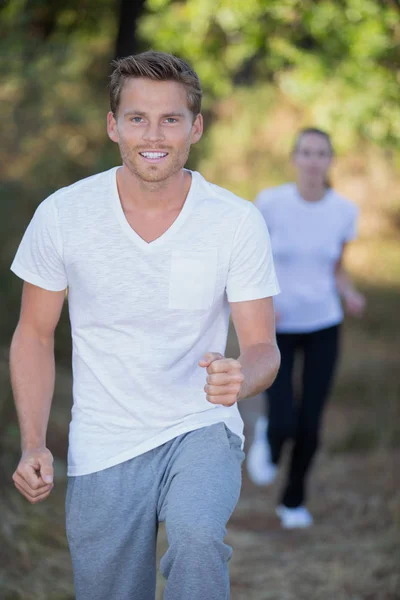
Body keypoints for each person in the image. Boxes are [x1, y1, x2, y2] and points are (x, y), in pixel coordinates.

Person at [9, 51, 280, 600]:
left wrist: (240, 378)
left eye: (171, 119)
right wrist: (34, 442)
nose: (153, 134)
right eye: (137, 118)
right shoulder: (63, 215)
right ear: (113, 125)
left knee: (197, 536)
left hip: (200, 426)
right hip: (104, 440)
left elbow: (262, 347)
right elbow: (34, 335)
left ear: (195, 127)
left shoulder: (235, 221)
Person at [247, 127, 365, 529]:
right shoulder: (271, 203)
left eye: (321, 154)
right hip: (277, 324)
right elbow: (251, 261)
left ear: (330, 161)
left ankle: (293, 501)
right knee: (284, 419)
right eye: (307, 153)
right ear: (295, 158)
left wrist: (349, 294)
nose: (314, 160)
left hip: (323, 325)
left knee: (311, 421)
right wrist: (262, 305)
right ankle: (270, 436)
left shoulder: (344, 211)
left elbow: (337, 268)